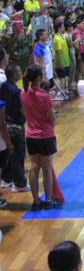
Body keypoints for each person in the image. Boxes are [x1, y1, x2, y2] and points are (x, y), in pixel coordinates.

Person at [21, 65, 57, 210]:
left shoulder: (23, 93)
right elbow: (52, 117)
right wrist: (50, 127)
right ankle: (48, 200)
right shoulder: (44, 97)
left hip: (31, 135)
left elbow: (24, 112)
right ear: (38, 78)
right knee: (46, 169)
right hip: (45, 135)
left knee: (34, 168)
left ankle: (36, 201)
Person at [0, 64, 28, 193]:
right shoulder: (17, 92)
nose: (21, 73)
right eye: (19, 71)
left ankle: (6, 179)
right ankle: (19, 184)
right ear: (15, 75)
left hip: (5, 125)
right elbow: (22, 110)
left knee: (8, 154)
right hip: (16, 126)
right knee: (18, 155)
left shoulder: (3, 87)